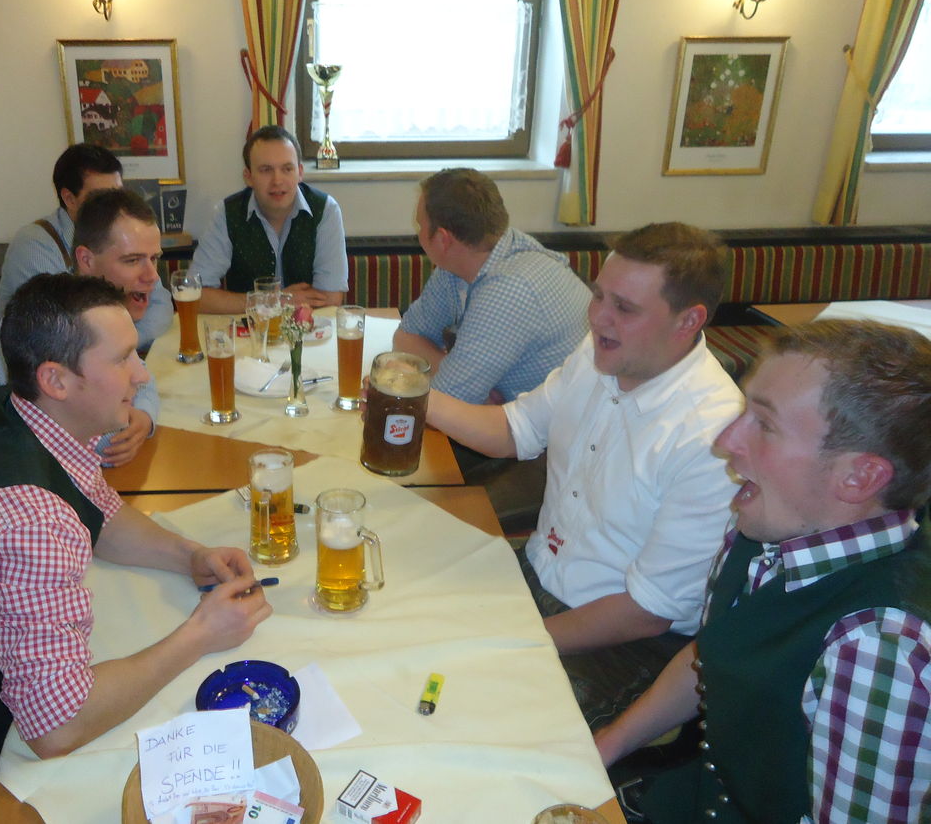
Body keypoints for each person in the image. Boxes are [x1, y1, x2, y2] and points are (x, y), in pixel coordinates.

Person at [0, 273, 271, 824]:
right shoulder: (29, 519)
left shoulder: (16, 409)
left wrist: (189, 556)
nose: (141, 374)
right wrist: (201, 634)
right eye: (123, 359)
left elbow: (97, 510)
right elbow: (58, 727)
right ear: (56, 379)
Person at [596, 320, 931, 823]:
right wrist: (608, 744)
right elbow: (717, 653)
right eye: (742, 411)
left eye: (765, 425)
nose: (725, 440)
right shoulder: (768, 527)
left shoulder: (878, 647)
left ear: (859, 477)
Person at [423, 222, 742, 726]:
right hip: (537, 575)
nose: (597, 318)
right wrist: (418, 398)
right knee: (411, 628)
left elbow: (647, 612)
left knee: (466, 717)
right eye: (598, 296)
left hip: (622, 644)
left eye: (624, 308)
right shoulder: (600, 355)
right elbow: (515, 430)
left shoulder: (713, 438)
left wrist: (514, 637)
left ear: (688, 320)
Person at [0, 188, 163, 466]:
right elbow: (105, 445)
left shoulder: (96, 313)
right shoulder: (53, 323)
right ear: (86, 260)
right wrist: (135, 415)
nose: (153, 276)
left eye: (155, 258)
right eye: (132, 260)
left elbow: (141, 376)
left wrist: (145, 414)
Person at [394, 167, 591, 404]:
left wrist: (463, 388)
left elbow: (443, 404)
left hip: (571, 424)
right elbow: (406, 337)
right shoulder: (461, 265)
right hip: (522, 419)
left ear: (443, 239)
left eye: (420, 226)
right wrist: (464, 381)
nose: (418, 234)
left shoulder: (508, 290)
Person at [0, 143, 173, 348]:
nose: (115, 206)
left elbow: (160, 305)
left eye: (118, 194)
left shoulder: (127, 243)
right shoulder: (34, 246)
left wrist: (122, 344)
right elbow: (63, 336)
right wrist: (118, 346)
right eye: (101, 197)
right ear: (69, 198)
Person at [191, 125, 348, 313]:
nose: (277, 181)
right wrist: (274, 301)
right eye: (266, 170)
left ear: (300, 172)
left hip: (308, 328)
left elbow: (330, 298)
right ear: (248, 177)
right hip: (249, 329)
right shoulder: (227, 213)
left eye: (287, 169)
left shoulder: (326, 210)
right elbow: (196, 295)